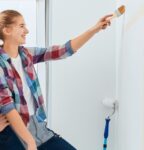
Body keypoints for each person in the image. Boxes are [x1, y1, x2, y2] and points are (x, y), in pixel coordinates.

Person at [0, 10, 112, 150]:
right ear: (7, 30)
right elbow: (7, 107)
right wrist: (29, 141)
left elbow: (63, 50)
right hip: (14, 134)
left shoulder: (26, 54)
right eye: (21, 26)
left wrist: (94, 29)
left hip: (38, 129)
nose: (27, 30)